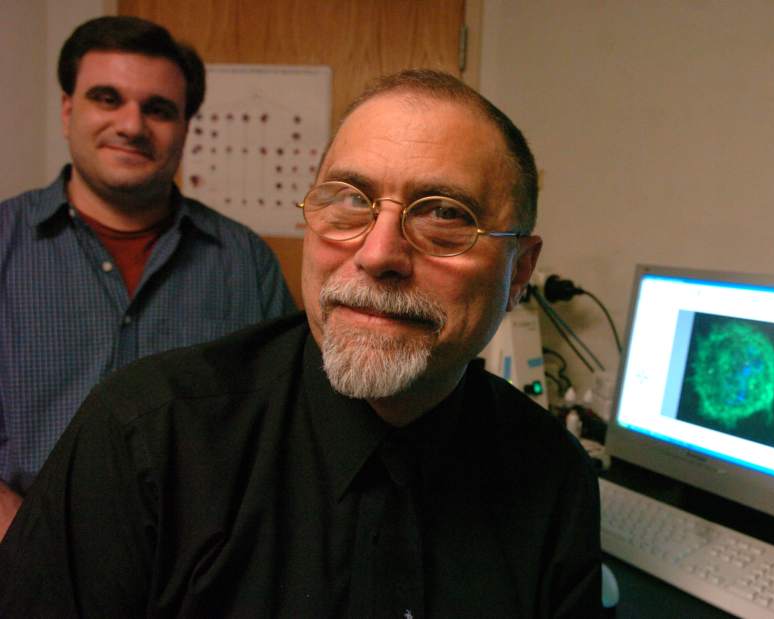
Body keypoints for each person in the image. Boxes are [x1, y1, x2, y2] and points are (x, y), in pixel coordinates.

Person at [0, 69, 601, 617]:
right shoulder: (150, 437)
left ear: (520, 270)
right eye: (349, 200)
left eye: (442, 213)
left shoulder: (553, 476)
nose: (378, 254)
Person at [0, 16, 295, 538]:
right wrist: (27, 546)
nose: (132, 126)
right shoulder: (4, 243)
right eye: (107, 98)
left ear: (185, 126)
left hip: (199, 577)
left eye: (157, 109)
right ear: (69, 110)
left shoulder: (245, 263)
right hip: (20, 562)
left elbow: (289, 428)